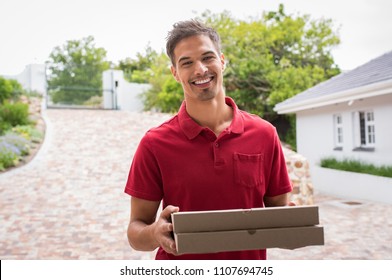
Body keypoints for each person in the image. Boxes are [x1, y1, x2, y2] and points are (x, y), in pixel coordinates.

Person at [124, 19, 293, 260]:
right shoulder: (154, 143)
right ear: (175, 73)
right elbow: (135, 231)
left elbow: (279, 210)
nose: (200, 69)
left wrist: (290, 223)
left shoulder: (264, 134)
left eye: (207, 57)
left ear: (222, 61)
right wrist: (154, 233)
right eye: (187, 62)